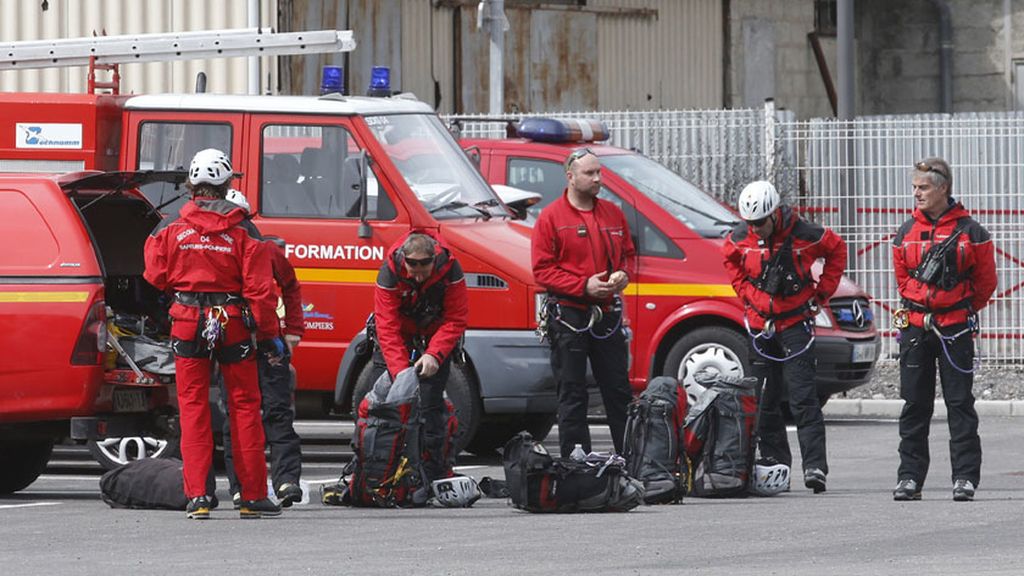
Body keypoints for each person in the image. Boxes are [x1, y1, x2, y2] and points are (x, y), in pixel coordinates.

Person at [144, 149, 283, 519]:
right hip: (232, 323)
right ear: (226, 184)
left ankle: (198, 497)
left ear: (192, 185)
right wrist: (268, 336)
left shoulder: (170, 226)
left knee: (192, 408)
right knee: (243, 408)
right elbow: (261, 291)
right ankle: (251, 497)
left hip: (187, 320)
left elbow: (154, 275)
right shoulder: (243, 229)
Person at [722, 180, 847, 494]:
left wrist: (821, 294)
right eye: (751, 223)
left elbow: (837, 250)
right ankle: (776, 465)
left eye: (761, 223)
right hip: (760, 324)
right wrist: (748, 295)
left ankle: (815, 466)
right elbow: (731, 264)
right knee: (765, 399)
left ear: (775, 214)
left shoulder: (805, 233)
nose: (756, 229)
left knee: (804, 397)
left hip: (794, 323)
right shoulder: (739, 238)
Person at [890, 158, 997, 502]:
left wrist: (959, 309)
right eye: (914, 187)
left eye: (923, 187)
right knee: (914, 404)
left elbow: (985, 283)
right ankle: (909, 478)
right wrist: (924, 307)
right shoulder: (905, 232)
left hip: (955, 330)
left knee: (959, 403)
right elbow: (902, 280)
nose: (916, 193)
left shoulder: (972, 232)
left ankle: (964, 478)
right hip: (916, 327)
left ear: (943, 188)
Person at [531, 147, 635, 459]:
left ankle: (632, 457)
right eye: (590, 173)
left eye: (599, 172)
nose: (598, 179)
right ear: (571, 176)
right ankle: (577, 462)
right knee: (572, 392)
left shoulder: (613, 213)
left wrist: (622, 276)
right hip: (569, 315)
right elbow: (542, 270)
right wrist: (583, 286)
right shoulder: (551, 218)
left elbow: (628, 256)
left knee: (618, 390)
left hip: (607, 315)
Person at [219, 190, 305, 509]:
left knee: (277, 412)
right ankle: (240, 486)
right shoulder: (217, 249)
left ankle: (286, 481)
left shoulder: (266, 252)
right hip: (235, 342)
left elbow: (291, 286)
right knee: (236, 417)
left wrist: (294, 330)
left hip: (267, 342)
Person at [372, 230, 469, 483]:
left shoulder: (450, 269)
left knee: (432, 405)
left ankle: (434, 473)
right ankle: (382, 468)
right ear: (404, 259)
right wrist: (400, 371)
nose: (417, 275)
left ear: (433, 260)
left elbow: (456, 318)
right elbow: (386, 325)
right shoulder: (390, 271)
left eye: (423, 269)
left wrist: (434, 355)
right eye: (412, 268)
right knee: (385, 406)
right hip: (401, 334)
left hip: (435, 335)